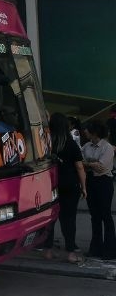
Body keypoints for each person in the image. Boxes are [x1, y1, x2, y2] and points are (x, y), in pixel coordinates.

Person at [41, 113, 87, 263]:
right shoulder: (71, 144)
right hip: (69, 184)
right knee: (69, 218)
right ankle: (70, 252)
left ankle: (47, 249)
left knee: (50, 218)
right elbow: (79, 167)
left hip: (50, 185)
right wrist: (84, 187)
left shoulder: (46, 143)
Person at [81, 120, 116, 258]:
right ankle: (95, 248)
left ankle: (110, 249)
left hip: (104, 182)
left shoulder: (107, 147)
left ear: (94, 132)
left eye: (88, 129)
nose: (85, 131)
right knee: (94, 216)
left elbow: (101, 167)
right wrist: (90, 164)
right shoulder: (86, 146)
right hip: (90, 181)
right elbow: (80, 161)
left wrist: (87, 163)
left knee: (105, 215)